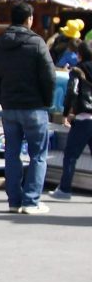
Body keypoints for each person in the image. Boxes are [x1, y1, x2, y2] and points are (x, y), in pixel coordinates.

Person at [0, 2, 56, 215]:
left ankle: (14, 200)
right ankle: (31, 200)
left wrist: (1, 97)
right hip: (34, 106)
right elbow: (49, 75)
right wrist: (47, 101)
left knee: (12, 153)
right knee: (38, 154)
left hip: (9, 107)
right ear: (29, 19)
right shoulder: (37, 43)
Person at [50, 41, 92, 199]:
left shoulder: (77, 70)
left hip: (83, 118)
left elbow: (72, 93)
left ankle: (65, 189)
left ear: (80, 55)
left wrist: (66, 113)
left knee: (71, 155)